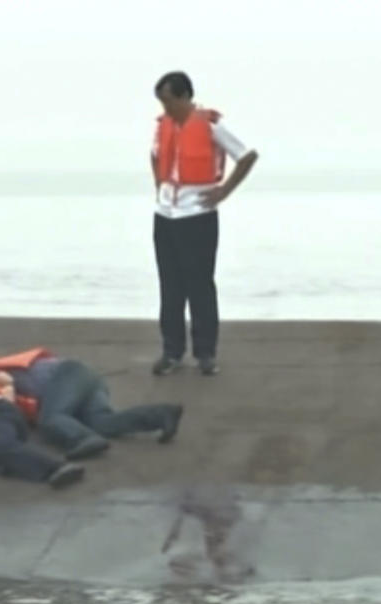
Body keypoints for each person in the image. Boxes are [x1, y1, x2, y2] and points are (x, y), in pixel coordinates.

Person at [150, 71, 259, 376]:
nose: (165, 108)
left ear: (185, 97)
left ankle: (205, 353)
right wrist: (159, 187)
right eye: (162, 102)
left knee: (199, 286)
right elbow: (155, 156)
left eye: (169, 101)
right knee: (170, 287)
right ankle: (171, 352)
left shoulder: (210, 125)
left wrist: (223, 191)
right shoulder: (163, 126)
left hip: (197, 216)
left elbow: (247, 156)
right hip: (165, 216)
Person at [0, 348, 183, 460]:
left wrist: (3, 404)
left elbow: (6, 381)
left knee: (50, 419)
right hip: (83, 379)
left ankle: (84, 439)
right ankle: (162, 414)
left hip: (67, 375)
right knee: (103, 422)